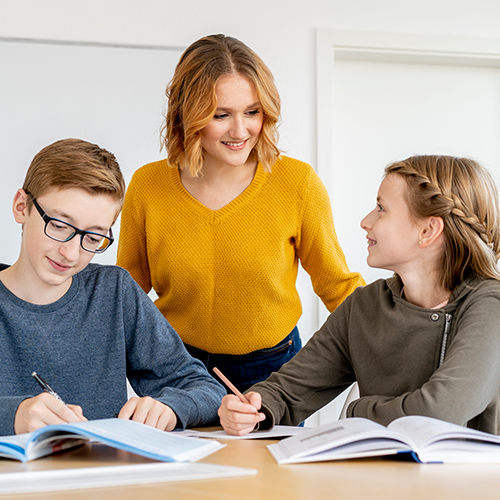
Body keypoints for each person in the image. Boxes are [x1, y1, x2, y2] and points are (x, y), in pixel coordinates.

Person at [116, 34, 364, 392]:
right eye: (221, 115)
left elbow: (337, 285)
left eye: (252, 112)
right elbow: (127, 295)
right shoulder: (147, 185)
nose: (240, 130)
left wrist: (398, 341)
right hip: (176, 368)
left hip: (274, 369)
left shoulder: (297, 183)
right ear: (189, 114)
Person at [218, 155, 500, 436]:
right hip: (377, 477)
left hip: (468, 480)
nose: (366, 221)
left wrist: (357, 411)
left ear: (427, 231)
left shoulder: (490, 306)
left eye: (381, 208)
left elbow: (439, 413)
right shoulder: (364, 307)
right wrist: (254, 408)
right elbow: (287, 390)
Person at [0, 138, 225, 436]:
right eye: (59, 226)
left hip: (104, 476)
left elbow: (206, 389)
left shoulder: (114, 292)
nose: (71, 253)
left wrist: (171, 408)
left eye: (93, 238)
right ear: (21, 207)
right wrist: (10, 416)